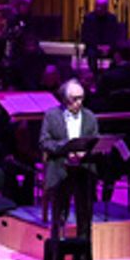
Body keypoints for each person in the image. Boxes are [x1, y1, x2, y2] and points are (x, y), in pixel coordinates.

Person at [39, 79, 99, 234]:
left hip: (83, 171)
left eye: (81, 98)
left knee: (85, 219)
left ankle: (84, 257)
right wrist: (66, 149)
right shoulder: (51, 116)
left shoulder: (90, 117)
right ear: (65, 99)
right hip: (60, 170)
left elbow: (95, 141)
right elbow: (44, 142)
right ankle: (56, 255)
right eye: (75, 99)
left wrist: (84, 152)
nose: (79, 102)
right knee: (58, 218)